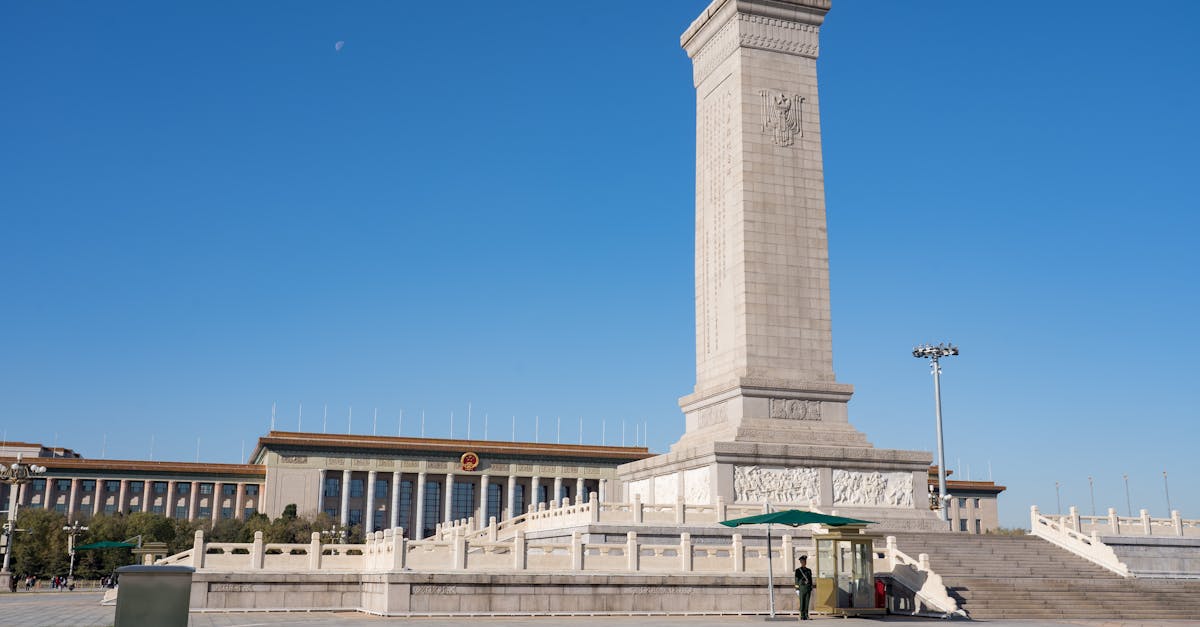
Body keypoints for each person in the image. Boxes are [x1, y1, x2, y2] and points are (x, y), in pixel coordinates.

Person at [794, 554, 815, 620]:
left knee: (807, 602)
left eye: (805, 561)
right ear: (801, 562)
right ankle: (802, 615)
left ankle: (806, 615)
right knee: (802, 602)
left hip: (808, 588)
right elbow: (796, 580)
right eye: (803, 561)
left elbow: (810, 579)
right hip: (802, 588)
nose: (804, 563)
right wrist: (797, 588)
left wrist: (811, 587)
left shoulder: (809, 570)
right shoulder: (798, 570)